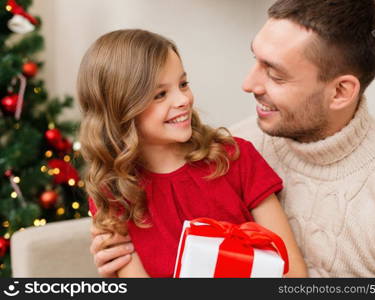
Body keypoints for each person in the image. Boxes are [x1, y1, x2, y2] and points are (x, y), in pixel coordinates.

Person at [90, 0, 375, 277]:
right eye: (255, 59)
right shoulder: (238, 141)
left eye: (275, 74)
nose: (248, 84)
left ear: (341, 91)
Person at [78, 29, 307, 277]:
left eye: (183, 84)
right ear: (121, 111)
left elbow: (292, 271)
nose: (183, 99)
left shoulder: (234, 157)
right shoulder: (113, 193)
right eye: (160, 94)